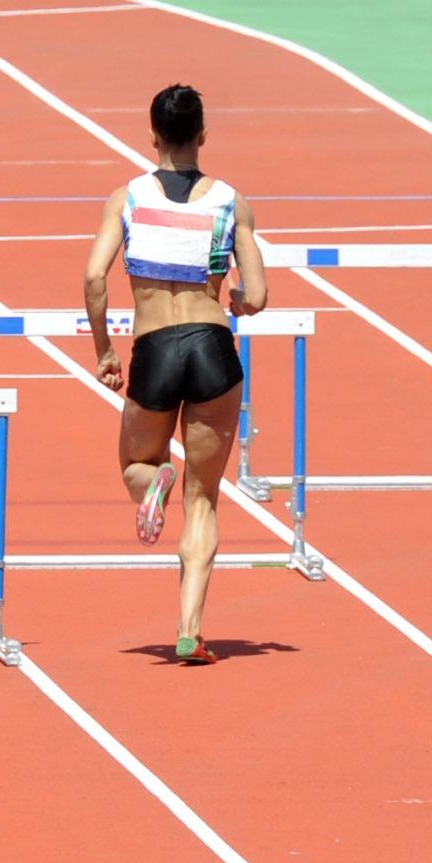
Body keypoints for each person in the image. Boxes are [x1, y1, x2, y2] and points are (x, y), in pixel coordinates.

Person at [83, 83, 268, 664]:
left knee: (138, 463)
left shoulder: (128, 197)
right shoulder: (232, 203)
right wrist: (235, 300)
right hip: (213, 347)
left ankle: (153, 483)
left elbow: (93, 279)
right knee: (205, 498)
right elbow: (258, 295)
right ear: (203, 136)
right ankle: (189, 629)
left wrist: (104, 352)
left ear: (153, 135)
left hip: (155, 345)